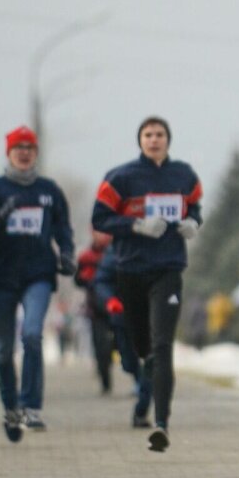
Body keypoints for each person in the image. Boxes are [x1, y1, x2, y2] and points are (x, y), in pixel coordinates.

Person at [91, 115, 203, 452]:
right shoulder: (121, 178)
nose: (154, 139)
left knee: (163, 344)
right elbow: (100, 218)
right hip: (131, 270)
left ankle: (161, 423)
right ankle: (147, 372)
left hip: (168, 268)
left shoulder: (183, 175)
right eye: (148, 134)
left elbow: (195, 208)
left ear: (168, 139)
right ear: (140, 140)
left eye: (160, 134)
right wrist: (136, 225)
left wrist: (192, 223)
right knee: (143, 348)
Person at [0, 125, 75, 443]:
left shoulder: (49, 191)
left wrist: (66, 253)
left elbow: (63, 228)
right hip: (0, 278)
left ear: (36, 153)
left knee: (33, 334)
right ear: (8, 153)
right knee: (2, 352)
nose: (24, 153)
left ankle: (31, 407)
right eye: (18, 148)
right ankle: (11, 409)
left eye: (29, 147)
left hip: (38, 274)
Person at [92, 243, 153, 426]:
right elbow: (101, 281)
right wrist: (110, 300)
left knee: (153, 356)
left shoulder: (159, 245)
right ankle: (139, 378)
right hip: (123, 314)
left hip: (151, 311)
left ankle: (143, 400)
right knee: (128, 360)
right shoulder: (118, 247)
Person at [74, 230, 116, 394]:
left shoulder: (117, 253)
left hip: (115, 305)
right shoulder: (86, 257)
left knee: (116, 343)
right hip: (95, 308)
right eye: (99, 233)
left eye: (106, 233)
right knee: (100, 346)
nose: (103, 236)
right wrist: (85, 278)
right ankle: (105, 378)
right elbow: (77, 280)